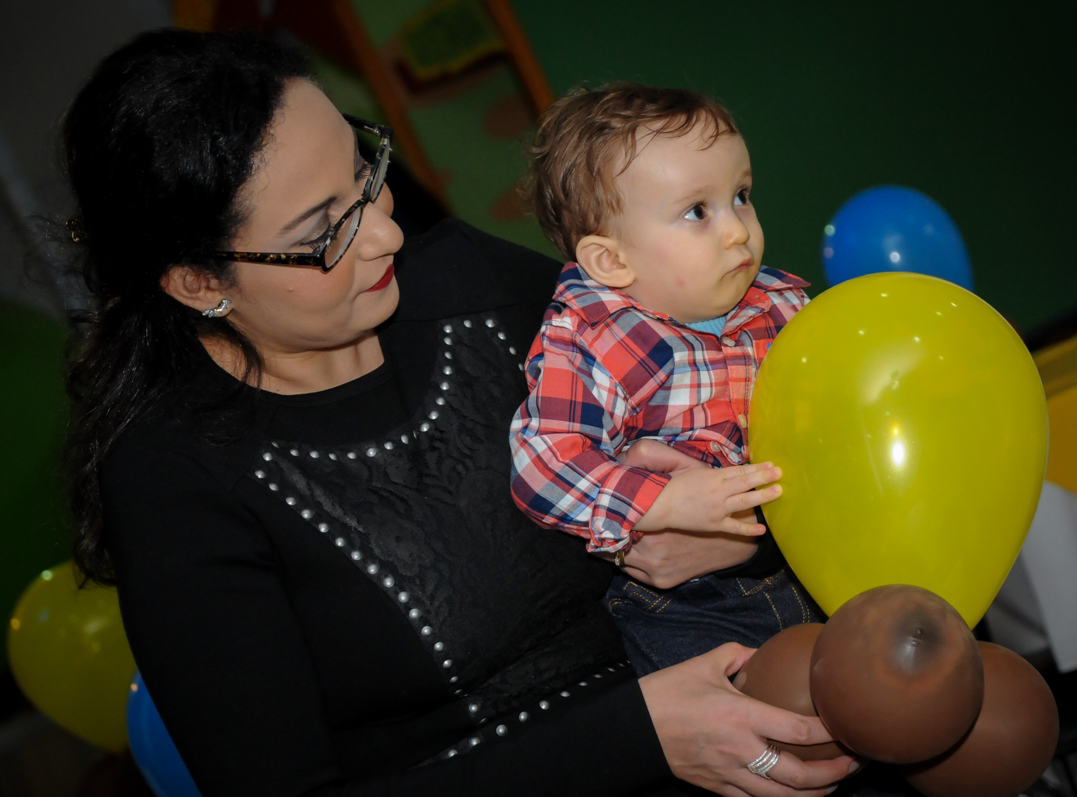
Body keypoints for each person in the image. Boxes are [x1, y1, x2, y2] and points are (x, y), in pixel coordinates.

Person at [60, 29, 859, 795]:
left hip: (729, 693)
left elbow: (742, 426)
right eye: (324, 230)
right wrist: (639, 735)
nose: (384, 230)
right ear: (198, 282)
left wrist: (732, 541)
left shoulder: (469, 287)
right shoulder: (176, 479)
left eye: (364, 172)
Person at [510, 85, 820, 675]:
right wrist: (661, 499)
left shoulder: (781, 305)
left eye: (741, 196)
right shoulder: (597, 338)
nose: (738, 231)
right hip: (692, 604)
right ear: (611, 261)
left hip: (811, 554)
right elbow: (543, 460)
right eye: (697, 211)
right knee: (756, 728)